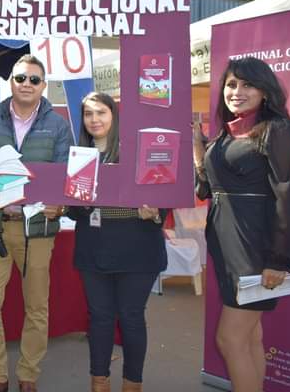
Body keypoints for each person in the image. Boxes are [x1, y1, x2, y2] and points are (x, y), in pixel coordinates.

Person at [193, 57, 290, 392]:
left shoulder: (277, 128)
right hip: (226, 245)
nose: (237, 92)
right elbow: (209, 189)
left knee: (230, 339)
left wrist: (279, 260)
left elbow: (288, 194)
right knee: (250, 336)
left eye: (247, 84)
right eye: (231, 84)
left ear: (265, 90)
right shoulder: (227, 133)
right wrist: (200, 154)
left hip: (255, 248)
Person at [0, 54, 71, 392]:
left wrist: (61, 205)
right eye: (21, 78)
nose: (27, 84)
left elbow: (67, 176)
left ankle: (28, 375)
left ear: (43, 86)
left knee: (37, 306)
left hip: (38, 230)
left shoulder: (58, 125)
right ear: (10, 82)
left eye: (34, 79)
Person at [66, 92, 167, 392]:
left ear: (114, 115)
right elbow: (74, 211)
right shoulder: (79, 156)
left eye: (101, 112)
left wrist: (157, 212)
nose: (94, 119)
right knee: (99, 318)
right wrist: (75, 203)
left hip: (138, 248)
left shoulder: (136, 151)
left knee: (131, 317)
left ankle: (132, 384)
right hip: (94, 248)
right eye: (88, 114)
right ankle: (99, 382)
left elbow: (164, 191)